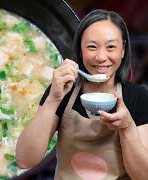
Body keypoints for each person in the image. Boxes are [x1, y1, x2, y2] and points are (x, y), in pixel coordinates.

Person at [16, 9, 148, 179]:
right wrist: (52, 100)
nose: (101, 57)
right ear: (80, 50)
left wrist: (127, 128)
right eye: (92, 47)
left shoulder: (138, 98)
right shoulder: (63, 90)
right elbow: (24, 160)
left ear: (123, 50)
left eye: (111, 47)